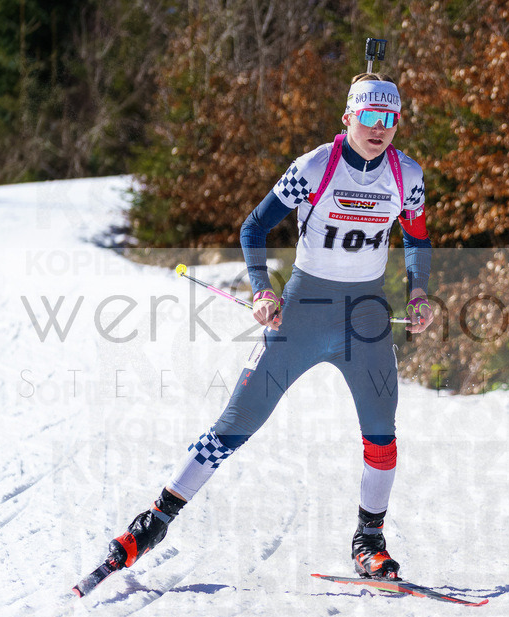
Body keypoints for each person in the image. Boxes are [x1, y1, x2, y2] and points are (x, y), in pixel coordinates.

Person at [100, 73, 433, 580]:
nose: (379, 128)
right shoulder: (315, 166)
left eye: (390, 119)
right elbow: (253, 226)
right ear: (348, 116)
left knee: (382, 434)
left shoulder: (406, 175)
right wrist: (261, 290)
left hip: (365, 317)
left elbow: (417, 236)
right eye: (369, 116)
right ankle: (153, 522)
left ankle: (369, 540)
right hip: (303, 313)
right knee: (237, 421)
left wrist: (418, 291)